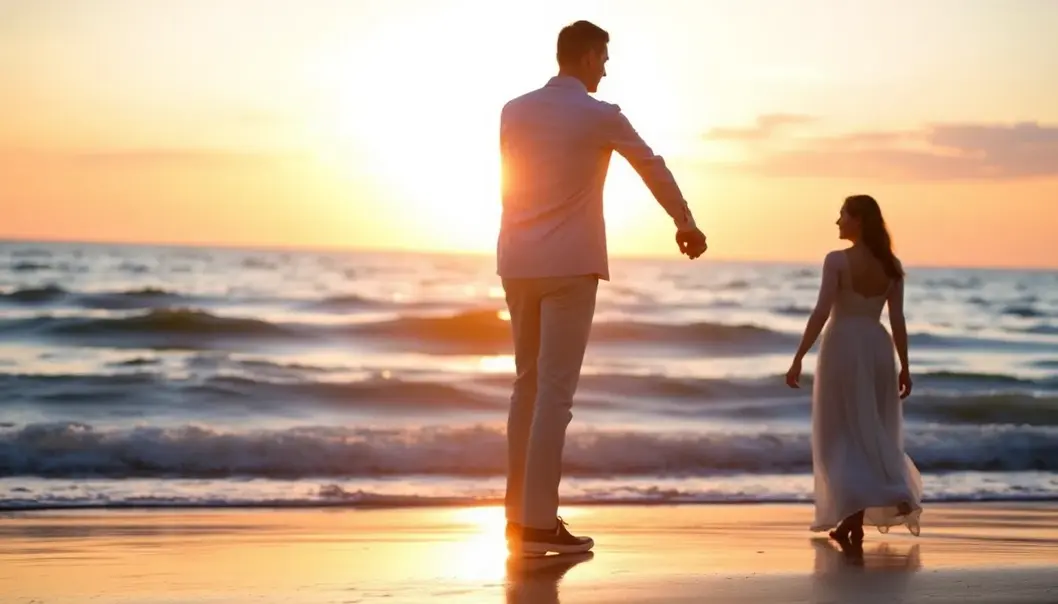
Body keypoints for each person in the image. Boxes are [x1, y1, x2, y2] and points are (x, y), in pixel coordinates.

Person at [498, 20, 707, 556]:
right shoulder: (600, 115)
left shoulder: (513, 111)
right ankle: (540, 524)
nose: (607, 68)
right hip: (569, 264)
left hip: (517, 261)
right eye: (604, 57)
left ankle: (518, 519)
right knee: (554, 395)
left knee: (526, 387)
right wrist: (684, 220)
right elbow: (650, 165)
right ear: (588, 56)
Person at [785, 194, 923, 544]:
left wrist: (799, 355)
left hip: (843, 345)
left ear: (858, 220)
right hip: (877, 348)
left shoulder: (836, 261)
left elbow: (821, 312)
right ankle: (858, 515)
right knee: (868, 427)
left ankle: (864, 507)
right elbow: (897, 321)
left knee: (840, 431)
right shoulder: (892, 265)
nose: (838, 222)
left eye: (842, 215)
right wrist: (905, 366)